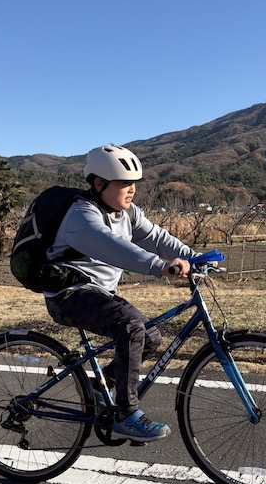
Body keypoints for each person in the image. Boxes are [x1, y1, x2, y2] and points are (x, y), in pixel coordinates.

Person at [43, 144, 198, 442]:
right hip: (68, 295)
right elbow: (116, 249)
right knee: (131, 327)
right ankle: (126, 415)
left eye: (134, 184)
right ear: (99, 184)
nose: (132, 190)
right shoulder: (81, 215)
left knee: (151, 336)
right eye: (125, 184)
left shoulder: (127, 213)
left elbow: (156, 237)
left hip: (100, 294)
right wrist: (160, 267)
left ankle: (99, 389)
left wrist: (196, 256)